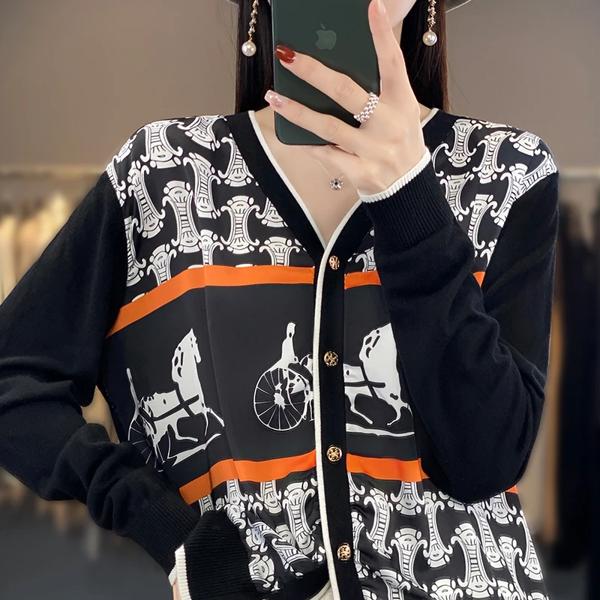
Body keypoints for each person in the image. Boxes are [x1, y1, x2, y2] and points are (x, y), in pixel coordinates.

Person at [0, 0, 559, 599]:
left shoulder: (507, 172)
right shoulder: (163, 174)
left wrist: (407, 194)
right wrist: (164, 527)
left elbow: (484, 463)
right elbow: (15, 380)